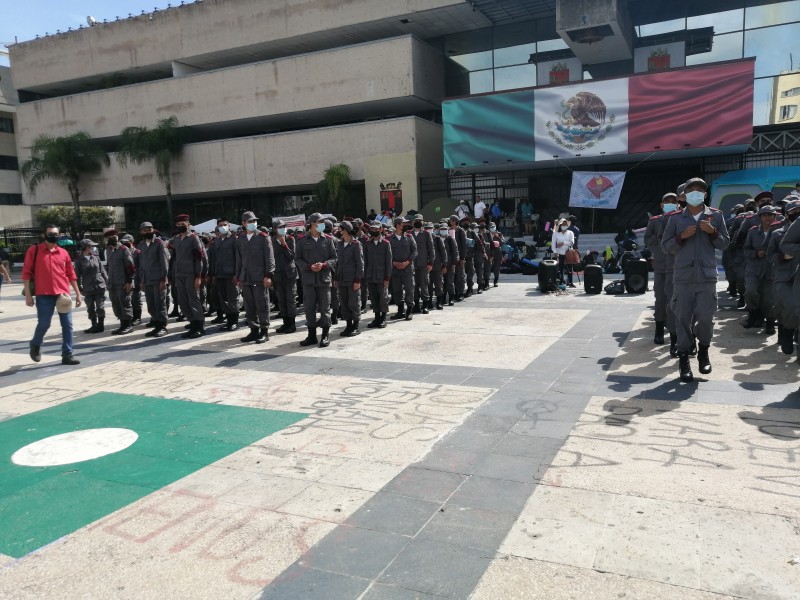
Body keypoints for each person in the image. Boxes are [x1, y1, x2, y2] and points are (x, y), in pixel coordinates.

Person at [662, 177, 729, 383]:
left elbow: (725, 243)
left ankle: (704, 352)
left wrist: (713, 233)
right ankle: (683, 359)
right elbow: (666, 246)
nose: (696, 193)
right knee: (682, 317)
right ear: (685, 195)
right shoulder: (675, 218)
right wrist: (681, 237)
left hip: (706, 277)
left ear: (705, 194)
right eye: (692, 190)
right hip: (682, 277)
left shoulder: (715, 216)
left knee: (706, 317)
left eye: (700, 190)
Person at [22, 224, 83, 365]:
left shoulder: (63, 253)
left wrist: (78, 294)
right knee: (44, 324)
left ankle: (67, 354)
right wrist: (28, 295)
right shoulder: (34, 250)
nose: (53, 235)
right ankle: (35, 344)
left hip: (62, 294)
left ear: (59, 235)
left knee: (67, 325)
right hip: (43, 294)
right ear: (44, 235)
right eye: (50, 233)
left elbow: (71, 275)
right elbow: (26, 273)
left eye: (55, 233)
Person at [295, 213, 338, 347]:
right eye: (320, 222)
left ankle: (325, 335)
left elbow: (335, 259)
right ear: (312, 223)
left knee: (325, 308)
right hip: (308, 280)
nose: (322, 224)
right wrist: (308, 267)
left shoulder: (328, 240)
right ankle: (311, 335)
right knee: (309, 308)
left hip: (324, 279)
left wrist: (324, 265)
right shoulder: (302, 241)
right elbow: (297, 259)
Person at [235, 211, 275, 344]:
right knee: (249, 305)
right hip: (246, 277)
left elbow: (270, 258)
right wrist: (239, 277)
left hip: (260, 277)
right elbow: (239, 260)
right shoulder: (240, 239)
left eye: (254, 221)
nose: (253, 224)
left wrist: (268, 275)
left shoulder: (263, 237)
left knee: (262, 303)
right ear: (243, 223)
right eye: (250, 221)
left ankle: (264, 331)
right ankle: (253, 330)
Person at [644, 193, 679, 345]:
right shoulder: (655, 221)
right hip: (660, 266)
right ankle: (659, 328)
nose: (670, 203)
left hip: (678, 266)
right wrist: (661, 243)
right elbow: (648, 239)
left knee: (676, 301)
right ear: (661, 204)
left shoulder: (681, 219)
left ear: (678, 204)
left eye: (673, 201)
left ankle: (676, 332)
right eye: (667, 201)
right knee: (660, 299)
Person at [169, 214, 208, 339]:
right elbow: (174, 259)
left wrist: (199, 276)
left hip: (191, 274)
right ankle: (192, 324)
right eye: (178, 224)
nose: (181, 226)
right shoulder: (176, 239)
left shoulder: (194, 238)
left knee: (193, 300)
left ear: (188, 224)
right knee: (183, 301)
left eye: (183, 224)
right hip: (179, 274)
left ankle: (199, 327)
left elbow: (199, 258)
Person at [742, 205, 777, 332]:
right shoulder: (753, 232)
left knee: (769, 299)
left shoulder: (780, 231)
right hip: (754, 269)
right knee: (750, 292)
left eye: (770, 215)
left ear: (775, 216)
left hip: (771, 270)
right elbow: (746, 250)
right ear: (760, 217)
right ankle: (753, 314)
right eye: (764, 215)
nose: (767, 218)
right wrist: (756, 254)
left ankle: (770, 322)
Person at [137, 221, 170, 338]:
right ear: (141, 232)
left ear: (153, 230)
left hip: (158, 279)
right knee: (151, 305)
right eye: (145, 230)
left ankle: (162, 326)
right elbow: (141, 264)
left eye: (149, 229)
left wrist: (163, 279)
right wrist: (141, 280)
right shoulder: (141, 245)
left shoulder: (159, 243)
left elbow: (164, 262)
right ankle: (156, 325)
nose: (148, 232)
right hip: (147, 280)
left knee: (160, 303)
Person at [209, 219, 240, 332]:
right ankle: (229, 321)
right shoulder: (217, 241)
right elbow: (214, 259)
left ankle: (234, 322)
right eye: (220, 225)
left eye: (225, 225)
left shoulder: (234, 239)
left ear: (229, 226)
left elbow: (238, 258)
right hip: (219, 274)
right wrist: (213, 274)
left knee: (232, 298)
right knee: (223, 300)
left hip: (231, 275)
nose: (223, 227)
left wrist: (236, 274)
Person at [335, 220, 364, 337]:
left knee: (354, 303)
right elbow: (337, 264)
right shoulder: (339, 244)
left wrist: (358, 280)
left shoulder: (356, 244)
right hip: (342, 279)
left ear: (346, 230)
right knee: (345, 303)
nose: (338, 232)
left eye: (340, 229)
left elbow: (360, 263)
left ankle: (356, 326)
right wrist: (336, 278)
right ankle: (348, 325)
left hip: (352, 280)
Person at [104, 229, 135, 335]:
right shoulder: (108, 250)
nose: (113, 239)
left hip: (123, 282)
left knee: (125, 303)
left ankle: (128, 325)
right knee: (116, 305)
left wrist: (129, 281)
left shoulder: (123, 249)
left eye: (114, 237)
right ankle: (122, 324)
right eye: (110, 238)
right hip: (112, 283)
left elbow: (130, 267)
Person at [75, 238, 108, 334]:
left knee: (100, 306)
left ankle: (100, 325)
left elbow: (102, 271)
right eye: (91, 246)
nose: (93, 248)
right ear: (86, 248)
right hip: (87, 287)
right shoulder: (79, 260)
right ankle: (94, 325)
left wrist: (107, 282)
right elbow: (77, 275)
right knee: (90, 307)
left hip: (99, 285)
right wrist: (79, 287)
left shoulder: (96, 257)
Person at [363, 220, 392, 328]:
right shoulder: (367, 244)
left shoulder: (385, 243)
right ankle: (376, 317)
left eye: (376, 229)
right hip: (370, 275)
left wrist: (387, 278)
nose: (374, 231)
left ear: (381, 229)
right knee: (374, 298)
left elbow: (388, 262)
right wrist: (365, 275)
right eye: (372, 229)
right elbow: (365, 261)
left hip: (381, 276)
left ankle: (383, 318)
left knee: (383, 298)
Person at [272, 219, 298, 334]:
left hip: (289, 275)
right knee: (281, 300)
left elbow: (292, 256)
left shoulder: (290, 239)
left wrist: (284, 244)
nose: (283, 229)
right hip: (277, 275)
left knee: (290, 299)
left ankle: (292, 324)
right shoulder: (271, 241)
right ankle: (285, 322)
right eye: (280, 227)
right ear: (274, 229)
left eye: (284, 226)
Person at [411, 214, 434, 314]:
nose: (418, 222)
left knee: (424, 285)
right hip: (412, 265)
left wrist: (431, 263)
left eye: (420, 220)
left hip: (423, 264)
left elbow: (431, 249)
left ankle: (425, 306)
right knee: (414, 286)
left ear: (423, 222)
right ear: (413, 222)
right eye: (416, 220)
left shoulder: (426, 234)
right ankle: (416, 305)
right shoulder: (409, 234)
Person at [551, 218, 576, 287]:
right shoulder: (556, 234)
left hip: (568, 253)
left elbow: (572, 242)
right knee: (560, 268)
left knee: (570, 268)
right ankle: (561, 281)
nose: (564, 225)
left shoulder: (570, 233)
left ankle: (570, 282)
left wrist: (563, 243)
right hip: (560, 253)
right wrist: (555, 252)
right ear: (560, 225)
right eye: (563, 224)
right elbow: (553, 244)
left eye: (565, 224)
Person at [448, 214, 467, 301]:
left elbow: (464, 246)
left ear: (455, 222)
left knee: (460, 275)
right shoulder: (450, 230)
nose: (450, 222)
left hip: (459, 257)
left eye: (451, 220)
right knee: (453, 276)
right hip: (452, 257)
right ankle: (455, 292)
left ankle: (461, 292)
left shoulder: (461, 231)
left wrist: (462, 258)